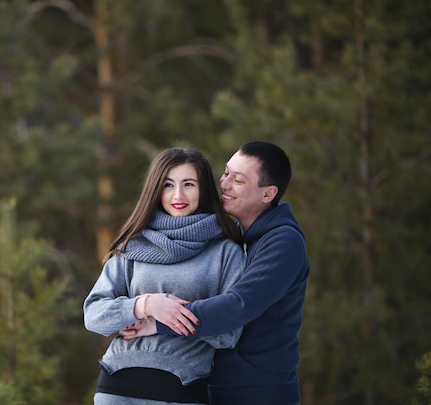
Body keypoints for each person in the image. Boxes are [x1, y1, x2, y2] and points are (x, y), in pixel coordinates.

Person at [123, 141, 310, 405]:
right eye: (225, 173)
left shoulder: (283, 242)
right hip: (218, 386)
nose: (224, 184)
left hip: (260, 392)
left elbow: (239, 305)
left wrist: (161, 321)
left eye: (238, 180)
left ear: (268, 194)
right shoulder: (235, 238)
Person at [83, 147, 246, 405]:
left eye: (188, 184)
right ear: (155, 190)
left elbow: (230, 334)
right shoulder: (132, 247)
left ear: (203, 189)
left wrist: (165, 319)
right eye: (168, 185)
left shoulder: (225, 252)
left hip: (180, 388)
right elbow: (93, 316)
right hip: (116, 385)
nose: (178, 195)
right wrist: (145, 305)